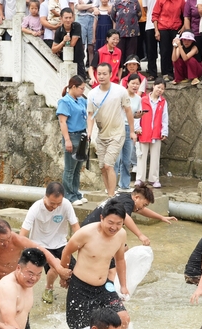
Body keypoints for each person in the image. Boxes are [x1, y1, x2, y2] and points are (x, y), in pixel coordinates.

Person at [62, 201, 129, 329]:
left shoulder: (121, 235)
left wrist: (123, 286)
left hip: (104, 286)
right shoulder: (86, 233)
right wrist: (63, 275)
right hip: (80, 287)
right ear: (101, 218)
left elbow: (120, 260)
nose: (114, 227)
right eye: (110, 222)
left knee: (123, 318)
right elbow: (66, 252)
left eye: (119, 224)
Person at [20, 182, 81, 304]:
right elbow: (22, 234)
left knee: (75, 273)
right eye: (52, 203)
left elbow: (76, 227)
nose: (55, 206)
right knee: (55, 266)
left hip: (60, 243)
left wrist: (83, 245)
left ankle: (75, 294)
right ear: (45, 196)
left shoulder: (66, 205)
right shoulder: (36, 208)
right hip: (40, 245)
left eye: (58, 203)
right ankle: (49, 287)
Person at [86, 63, 137, 200]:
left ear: (111, 74)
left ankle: (111, 195)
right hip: (102, 135)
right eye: (99, 73)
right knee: (102, 167)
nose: (101, 76)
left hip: (117, 133)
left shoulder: (120, 91)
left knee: (109, 165)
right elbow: (90, 115)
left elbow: (128, 111)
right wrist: (89, 132)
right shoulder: (92, 94)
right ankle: (109, 192)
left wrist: (132, 131)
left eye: (104, 74)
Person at [81, 185, 174, 250]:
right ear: (136, 197)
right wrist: (140, 235)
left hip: (89, 227)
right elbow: (125, 217)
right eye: (144, 204)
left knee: (122, 248)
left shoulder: (126, 197)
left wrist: (161, 217)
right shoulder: (128, 202)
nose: (143, 207)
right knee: (122, 249)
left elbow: (141, 210)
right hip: (93, 230)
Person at [56, 75, 89, 206]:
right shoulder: (65, 101)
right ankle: (69, 195)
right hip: (72, 135)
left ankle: (76, 193)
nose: (83, 91)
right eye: (81, 88)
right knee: (70, 168)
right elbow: (63, 122)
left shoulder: (81, 100)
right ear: (73, 87)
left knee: (77, 168)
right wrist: (67, 140)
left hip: (82, 135)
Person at [134, 77, 168, 188]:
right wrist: (137, 127)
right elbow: (137, 116)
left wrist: (164, 131)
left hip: (157, 132)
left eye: (162, 89)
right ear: (153, 86)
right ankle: (140, 179)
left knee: (155, 157)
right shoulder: (143, 100)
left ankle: (154, 179)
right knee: (141, 156)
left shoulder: (163, 102)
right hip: (144, 131)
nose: (160, 90)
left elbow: (164, 117)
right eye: (158, 87)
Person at [115, 73, 144, 192]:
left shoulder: (138, 98)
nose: (135, 86)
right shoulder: (121, 95)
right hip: (118, 127)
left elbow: (135, 115)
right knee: (116, 159)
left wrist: (138, 115)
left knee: (127, 159)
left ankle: (124, 185)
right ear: (127, 83)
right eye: (133, 83)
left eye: (137, 84)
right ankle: (112, 185)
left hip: (129, 128)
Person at [152, 0, 185, 79]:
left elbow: (185, 16)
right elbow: (155, 16)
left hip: (176, 28)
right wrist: (156, 31)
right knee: (164, 51)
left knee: (175, 50)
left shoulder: (181, 1)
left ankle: (175, 73)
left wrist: (183, 28)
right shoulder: (160, 1)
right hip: (163, 28)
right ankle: (165, 73)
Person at [52, 8, 87, 79]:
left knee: (81, 80)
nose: (68, 20)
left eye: (70, 17)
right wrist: (63, 42)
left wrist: (60, 47)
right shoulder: (59, 31)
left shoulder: (77, 26)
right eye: (66, 18)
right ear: (61, 18)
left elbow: (72, 44)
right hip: (64, 60)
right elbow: (53, 50)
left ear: (73, 18)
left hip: (78, 59)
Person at [75, 0, 98, 70]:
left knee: (91, 47)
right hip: (81, 19)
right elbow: (78, 7)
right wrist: (92, 6)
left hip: (93, 19)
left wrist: (84, 6)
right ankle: (81, 67)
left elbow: (96, 10)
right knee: (81, 45)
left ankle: (91, 69)